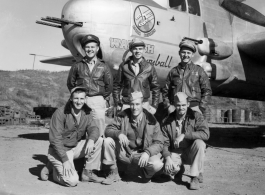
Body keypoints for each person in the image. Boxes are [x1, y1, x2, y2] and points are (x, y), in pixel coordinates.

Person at [40, 87, 105, 187]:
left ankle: (87, 173)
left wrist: (91, 140)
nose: (79, 102)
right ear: (70, 98)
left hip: (75, 147)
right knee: (73, 181)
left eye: (82, 99)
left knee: (99, 140)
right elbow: (55, 139)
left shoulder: (86, 112)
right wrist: (65, 160)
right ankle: (53, 170)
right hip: (61, 150)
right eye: (76, 98)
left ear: (85, 99)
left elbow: (94, 128)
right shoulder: (60, 113)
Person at [102, 91, 164, 185]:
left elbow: (159, 143)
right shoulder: (122, 116)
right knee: (108, 141)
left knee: (157, 164)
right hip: (126, 152)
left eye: (137, 104)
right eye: (132, 104)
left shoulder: (152, 120)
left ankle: (145, 173)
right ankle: (113, 172)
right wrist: (118, 133)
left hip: (142, 154)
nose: (134, 107)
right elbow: (108, 130)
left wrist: (148, 152)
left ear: (143, 104)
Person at [161, 92, 210, 190]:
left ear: (188, 104)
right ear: (174, 105)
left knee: (200, 144)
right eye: (178, 105)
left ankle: (194, 177)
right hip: (175, 153)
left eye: (183, 105)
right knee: (166, 172)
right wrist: (167, 158)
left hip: (191, 152)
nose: (181, 108)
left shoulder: (196, 116)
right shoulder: (167, 120)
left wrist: (185, 135)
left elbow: (205, 134)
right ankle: (179, 169)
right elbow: (164, 142)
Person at [67, 34, 113, 136]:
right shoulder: (77, 66)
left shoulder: (104, 67)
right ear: (83, 49)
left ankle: (98, 149)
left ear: (97, 49)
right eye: (87, 47)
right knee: (80, 127)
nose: (90, 49)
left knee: (99, 129)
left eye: (92, 47)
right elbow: (70, 83)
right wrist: (78, 96)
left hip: (98, 100)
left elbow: (109, 86)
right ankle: (82, 150)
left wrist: (101, 98)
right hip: (81, 100)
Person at [161, 39, 212, 115]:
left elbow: (207, 91)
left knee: (196, 127)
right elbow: (165, 91)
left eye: (188, 53)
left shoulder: (199, 71)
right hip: (176, 108)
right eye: (183, 52)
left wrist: (201, 108)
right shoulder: (173, 71)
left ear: (193, 55)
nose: (186, 55)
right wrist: (168, 106)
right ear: (179, 53)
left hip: (194, 108)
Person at [113, 38, 160, 115]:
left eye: (140, 49)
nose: (138, 51)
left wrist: (154, 106)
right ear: (131, 50)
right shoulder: (124, 66)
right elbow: (117, 86)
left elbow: (156, 87)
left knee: (142, 126)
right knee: (124, 126)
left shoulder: (149, 67)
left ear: (144, 50)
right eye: (135, 49)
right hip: (127, 104)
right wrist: (117, 103)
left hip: (143, 105)